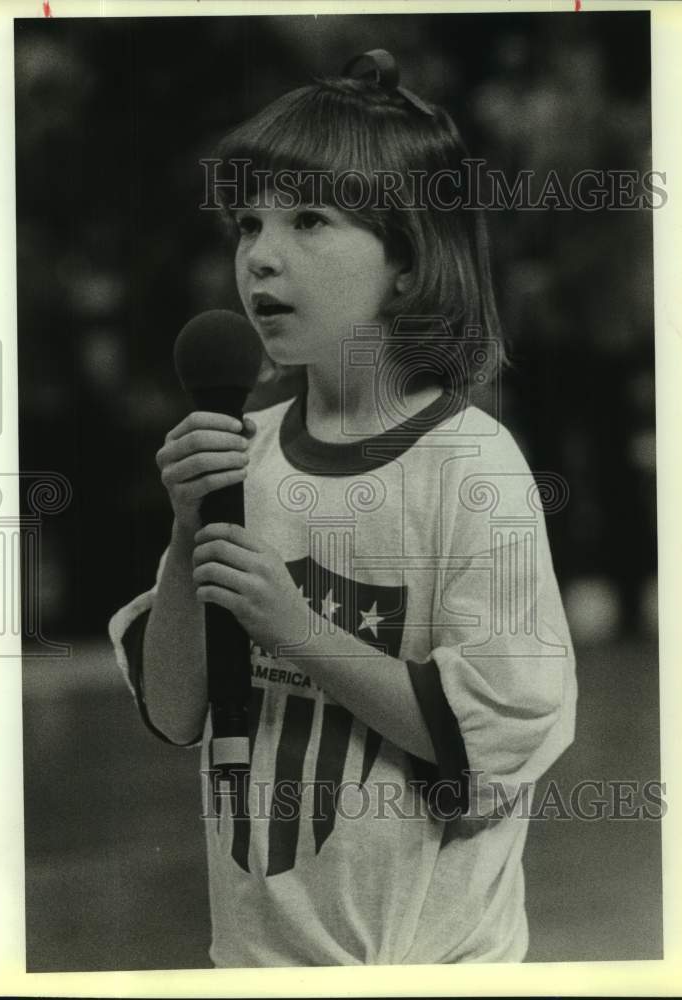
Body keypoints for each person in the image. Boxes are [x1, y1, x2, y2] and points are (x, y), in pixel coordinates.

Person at [109, 49, 577, 966]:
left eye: (308, 219)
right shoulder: (246, 442)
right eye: (247, 223)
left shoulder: (470, 463)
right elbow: (173, 710)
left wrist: (294, 628)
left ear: (407, 262)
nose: (261, 255)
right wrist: (184, 530)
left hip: (430, 963)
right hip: (251, 959)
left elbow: (490, 737)